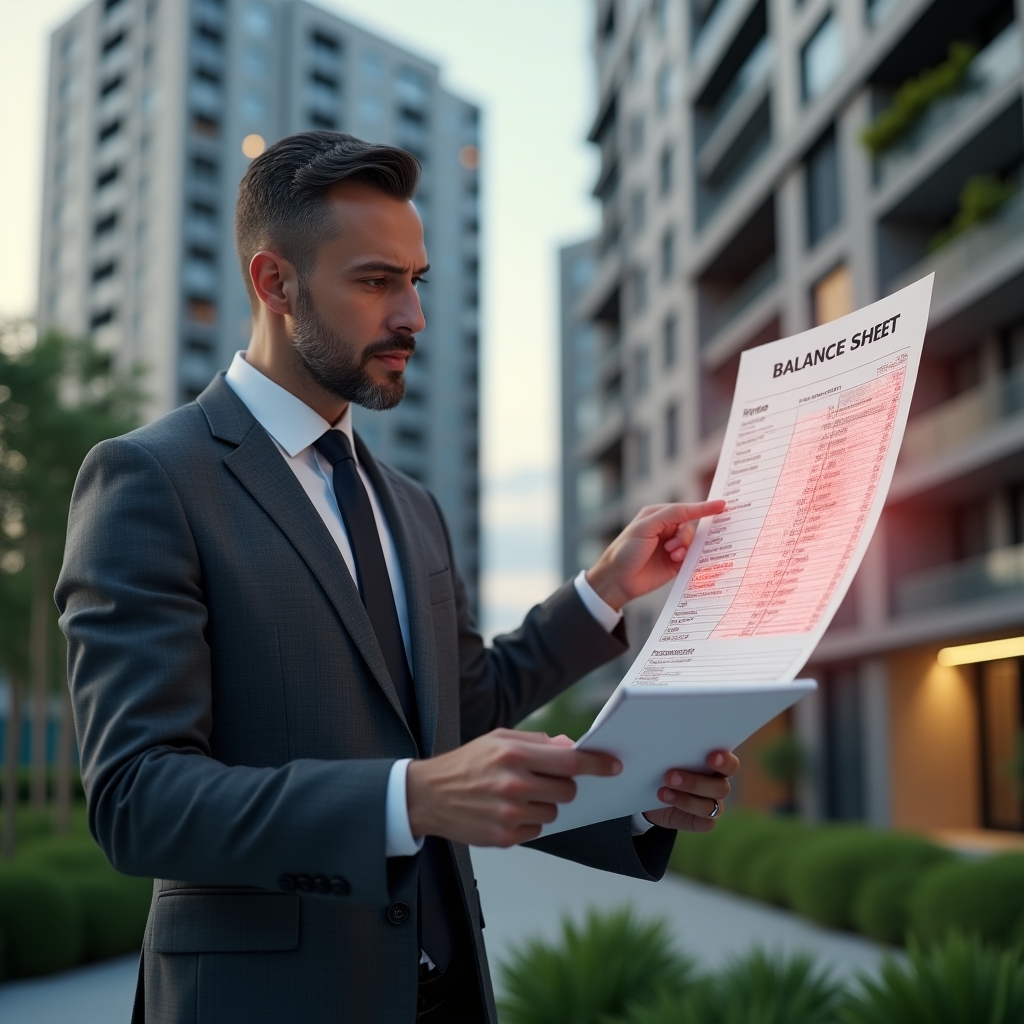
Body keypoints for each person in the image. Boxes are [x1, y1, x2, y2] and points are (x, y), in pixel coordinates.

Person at [56, 132, 738, 1024]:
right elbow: (137, 798)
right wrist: (407, 796)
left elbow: (461, 708)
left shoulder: (408, 503)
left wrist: (608, 605)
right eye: (378, 282)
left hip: (445, 996)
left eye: (418, 281)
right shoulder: (151, 479)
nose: (413, 316)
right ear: (275, 283)